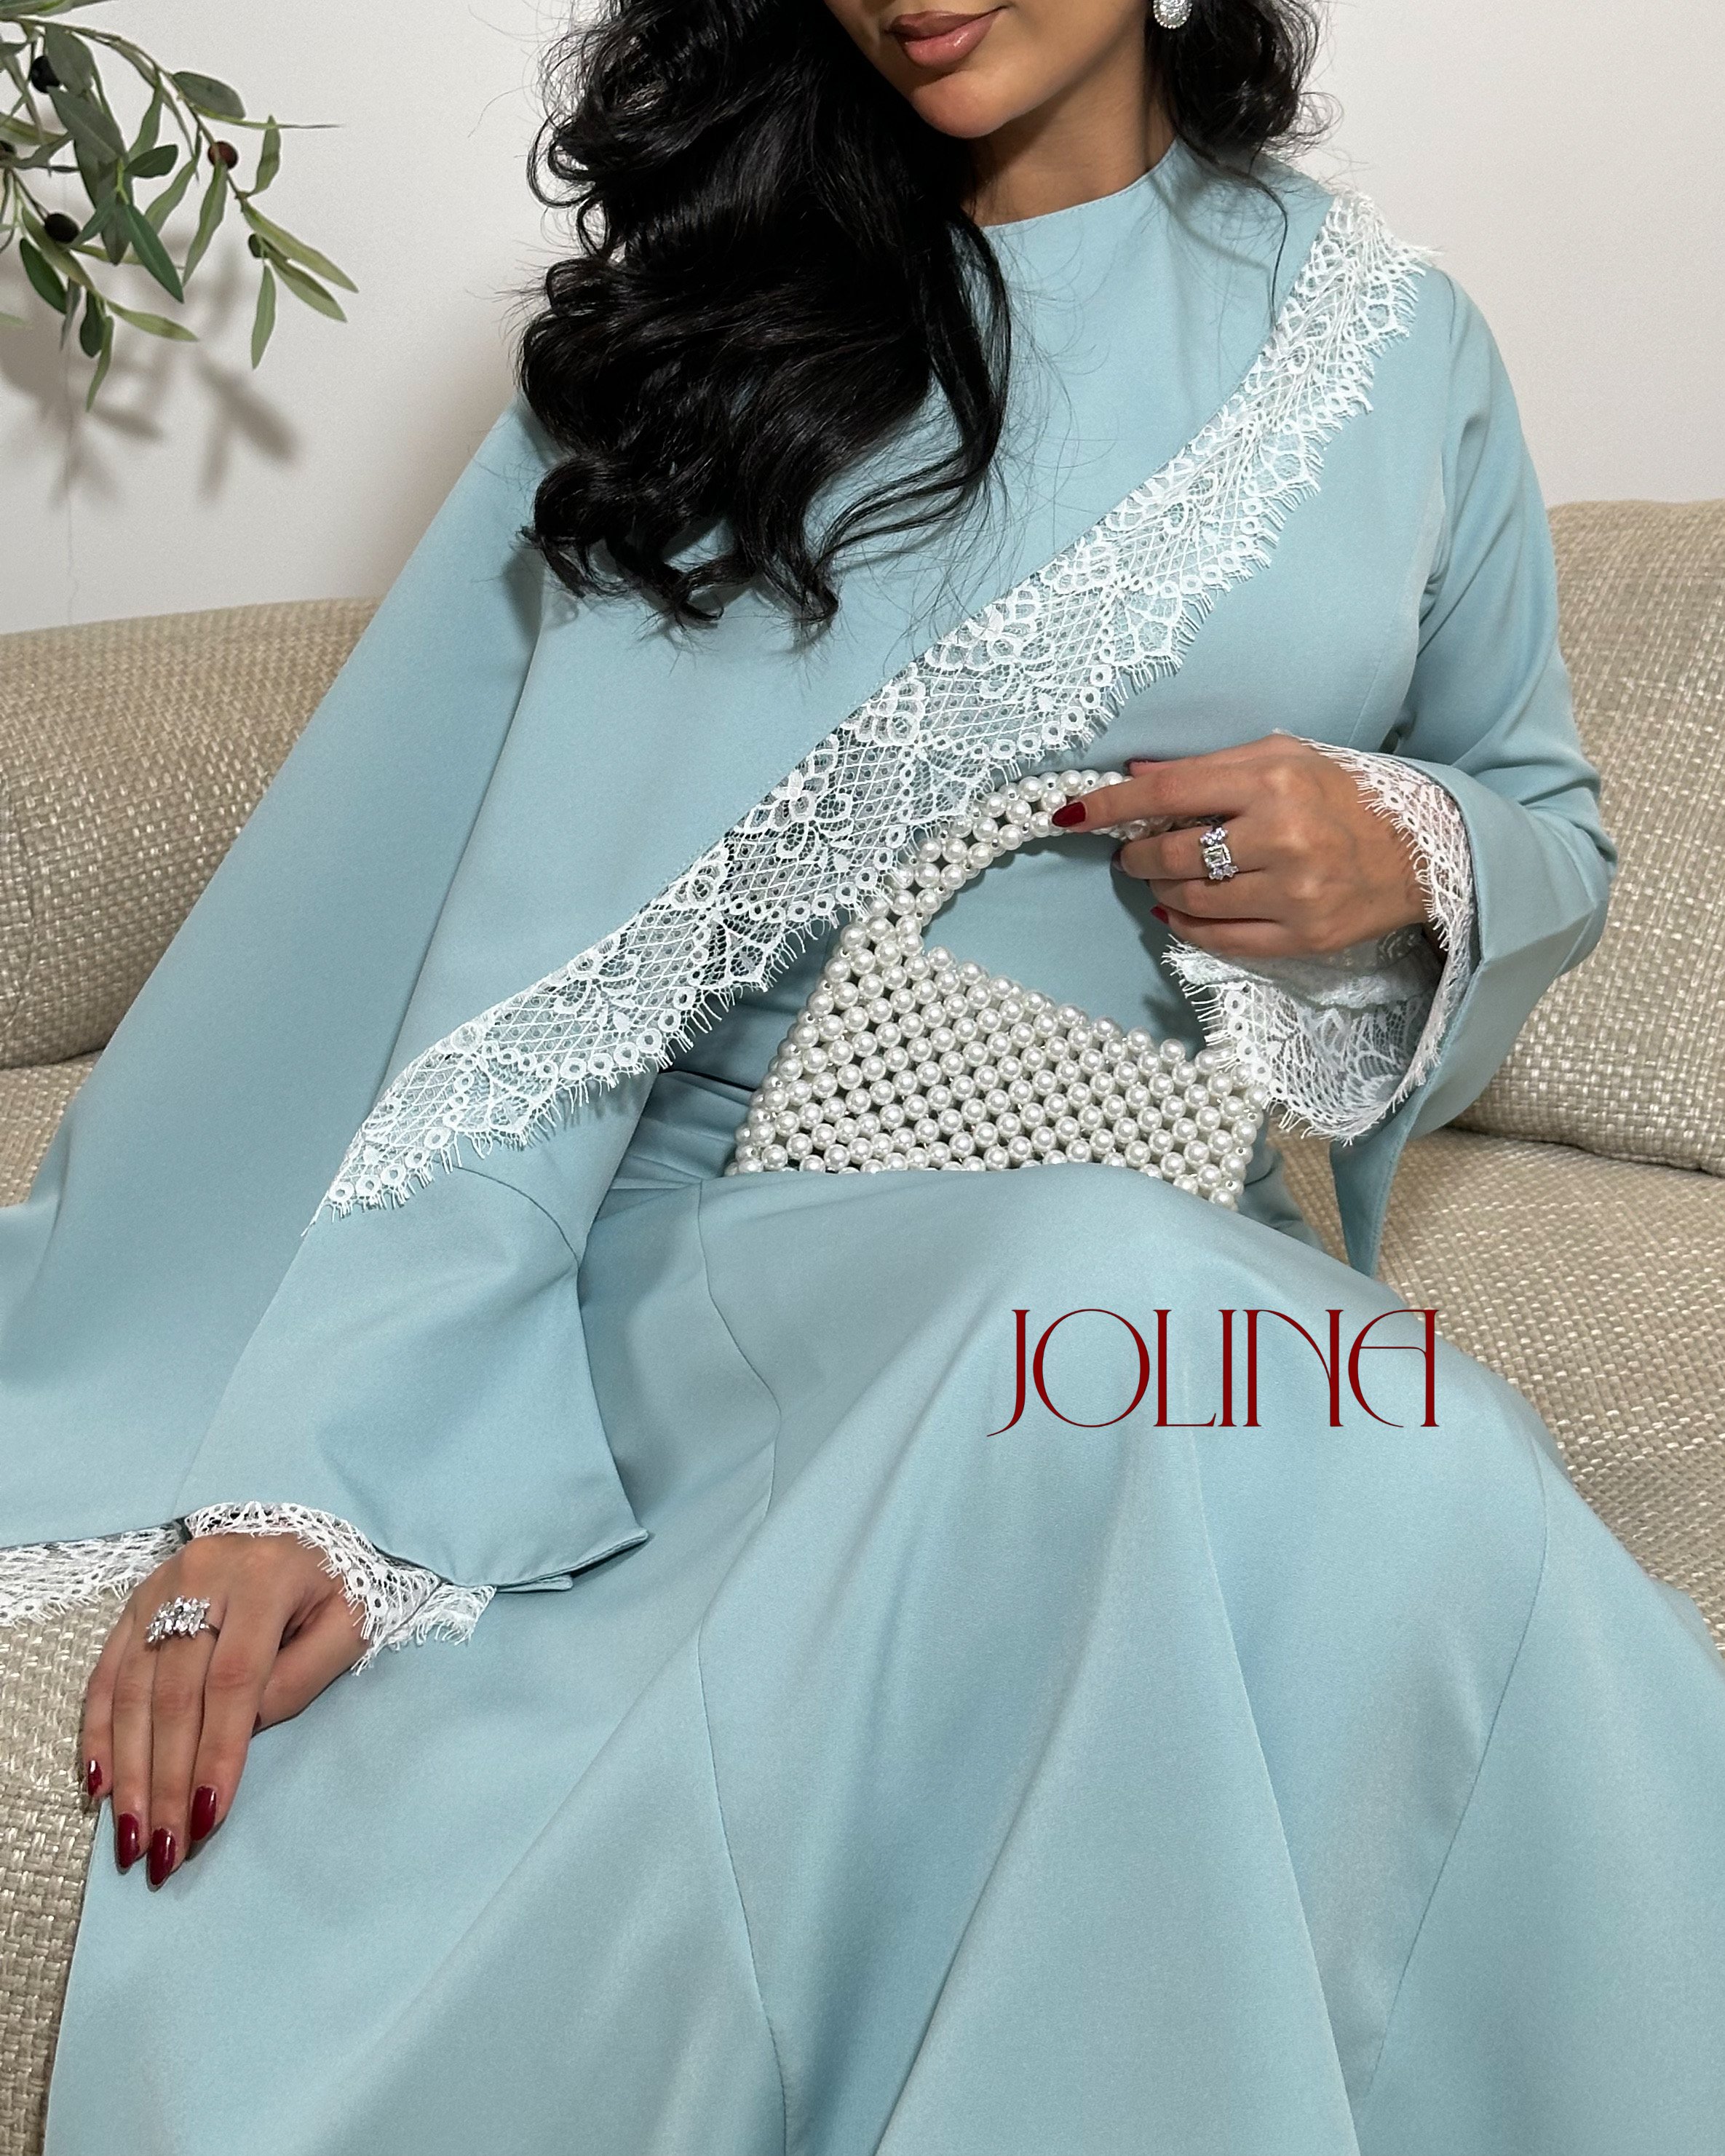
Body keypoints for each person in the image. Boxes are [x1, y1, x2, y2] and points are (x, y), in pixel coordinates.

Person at [3, 2, 1722, 2149]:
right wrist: (326, 1464)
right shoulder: (705, 333)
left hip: (1164, 1242)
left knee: (1376, 1438)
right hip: (729, 1262)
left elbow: (1543, 816)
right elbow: (515, 956)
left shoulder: (1396, 346)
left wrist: (1408, 847)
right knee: (1143, 1334)